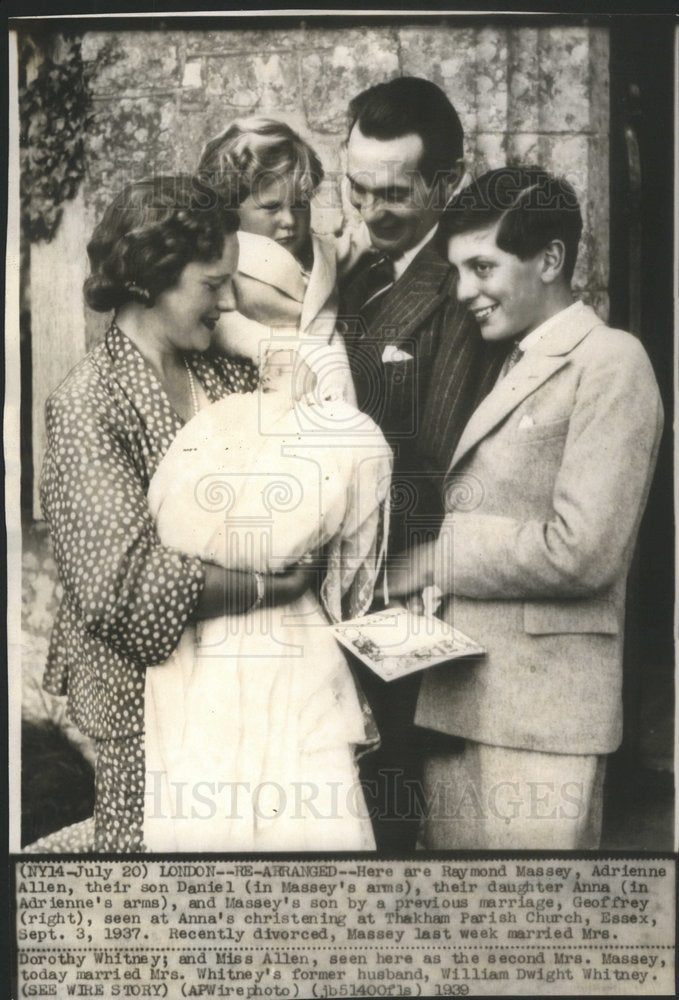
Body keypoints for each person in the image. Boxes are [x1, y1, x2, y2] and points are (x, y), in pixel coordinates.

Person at [385, 167, 663, 849]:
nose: (463, 292)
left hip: (544, 718)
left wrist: (430, 560)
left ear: (550, 259)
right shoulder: (506, 361)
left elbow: (583, 551)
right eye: (456, 272)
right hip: (459, 701)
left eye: (482, 267)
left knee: (532, 938)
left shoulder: (611, 362)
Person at [38, 175, 316, 852]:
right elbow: (123, 589)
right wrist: (269, 586)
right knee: (156, 879)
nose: (228, 301)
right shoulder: (87, 405)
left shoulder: (220, 374)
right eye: (211, 283)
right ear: (147, 279)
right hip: (140, 703)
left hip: (234, 686)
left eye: (232, 281)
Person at [339, 77, 504, 850]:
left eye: (394, 193)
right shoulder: (356, 275)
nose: (370, 211)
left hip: (400, 606)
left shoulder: (460, 296)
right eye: (355, 188)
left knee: (393, 814)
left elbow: (437, 472)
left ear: (446, 182)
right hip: (346, 594)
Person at [143, 345, 392, 851]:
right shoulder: (258, 409)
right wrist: (294, 577)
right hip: (252, 620)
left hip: (251, 628)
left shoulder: (229, 405)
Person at [197, 116, 355, 402]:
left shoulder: (320, 254)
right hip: (255, 381)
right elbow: (220, 323)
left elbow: (351, 249)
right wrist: (269, 346)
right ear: (232, 208)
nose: (289, 221)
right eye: (271, 208)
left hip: (329, 384)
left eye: (299, 204)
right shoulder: (222, 265)